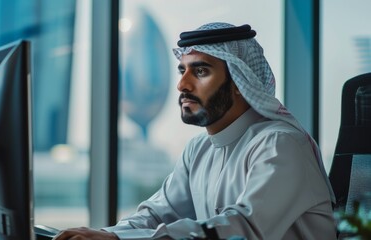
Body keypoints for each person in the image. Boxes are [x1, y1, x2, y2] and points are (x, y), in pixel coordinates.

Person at [53, 22, 337, 240]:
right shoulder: (198, 149)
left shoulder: (280, 144)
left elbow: (240, 229)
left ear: (240, 81)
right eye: (182, 71)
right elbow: (154, 215)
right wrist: (106, 234)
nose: (183, 85)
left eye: (200, 72)